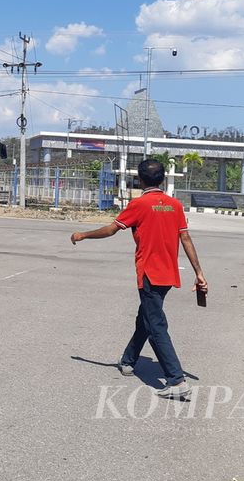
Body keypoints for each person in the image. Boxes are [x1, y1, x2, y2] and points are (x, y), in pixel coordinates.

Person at [70, 158, 207, 400]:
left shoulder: (140, 204)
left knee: (156, 326)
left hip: (149, 274)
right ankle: (129, 359)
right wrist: (198, 272)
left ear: (140, 179)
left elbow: (112, 229)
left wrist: (83, 235)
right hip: (168, 274)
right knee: (145, 317)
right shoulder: (174, 205)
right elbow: (186, 239)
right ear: (162, 179)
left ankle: (176, 380)